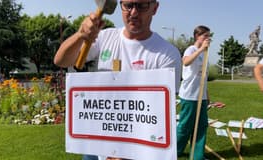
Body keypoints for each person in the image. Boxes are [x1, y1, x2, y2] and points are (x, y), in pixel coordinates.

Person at [54, 0, 181, 160]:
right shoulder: (104, 37)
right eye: (128, 5)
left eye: (141, 6)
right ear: (120, 5)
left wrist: (125, 151)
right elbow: (61, 61)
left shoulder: (167, 54)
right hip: (96, 144)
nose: (133, 13)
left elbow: (158, 117)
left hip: (137, 150)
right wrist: (80, 35)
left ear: (154, 8)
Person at [177, 25, 211, 160]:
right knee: (185, 126)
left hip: (201, 96)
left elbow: (204, 76)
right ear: (197, 36)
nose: (208, 39)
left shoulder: (205, 53)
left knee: (202, 126)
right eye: (205, 36)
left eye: (209, 36)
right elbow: (185, 62)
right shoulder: (191, 49)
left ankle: (197, 156)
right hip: (189, 95)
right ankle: (175, 151)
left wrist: (207, 95)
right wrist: (201, 49)